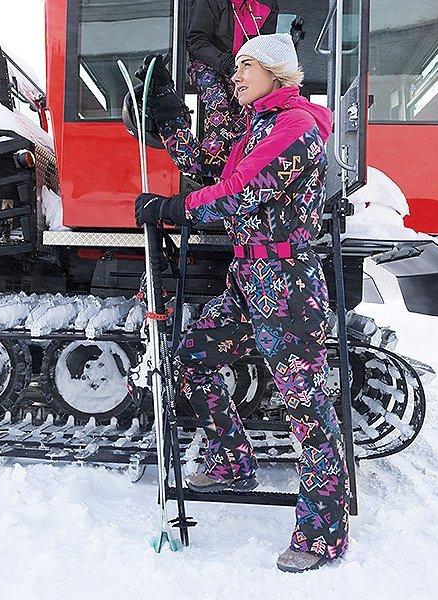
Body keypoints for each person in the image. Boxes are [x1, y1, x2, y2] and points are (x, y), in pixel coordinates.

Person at [134, 34, 348, 573]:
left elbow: (237, 194)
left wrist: (170, 207)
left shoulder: (297, 127)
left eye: (245, 66)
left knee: (307, 409)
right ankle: (231, 461)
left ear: (278, 72)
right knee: (192, 360)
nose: (235, 76)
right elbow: (215, 174)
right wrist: (166, 122)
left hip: (286, 285)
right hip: (249, 278)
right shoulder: (258, 126)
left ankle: (323, 535)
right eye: (233, 67)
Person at [185, 0, 278, 172]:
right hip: (207, 62)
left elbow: (264, 47)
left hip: (239, 65)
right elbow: (196, 41)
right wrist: (228, 63)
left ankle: (237, 167)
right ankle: (212, 165)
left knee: (245, 114)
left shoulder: (268, 5)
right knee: (219, 106)